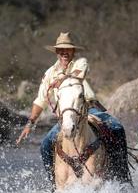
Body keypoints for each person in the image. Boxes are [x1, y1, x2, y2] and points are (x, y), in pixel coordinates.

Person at [16, 32, 103, 182]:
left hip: (90, 108)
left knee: (116, 128)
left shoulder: (80, 63)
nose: (64, 52)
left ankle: (122, 176)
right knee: (45, 145)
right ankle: (54, 183)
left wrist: (62, 79)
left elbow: (79, 74)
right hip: (66, 117)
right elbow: (40, 100)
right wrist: (30, 123)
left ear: (73, 51)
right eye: (61, 49)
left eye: (68, 49)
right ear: (57, 52)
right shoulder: (49, 73)